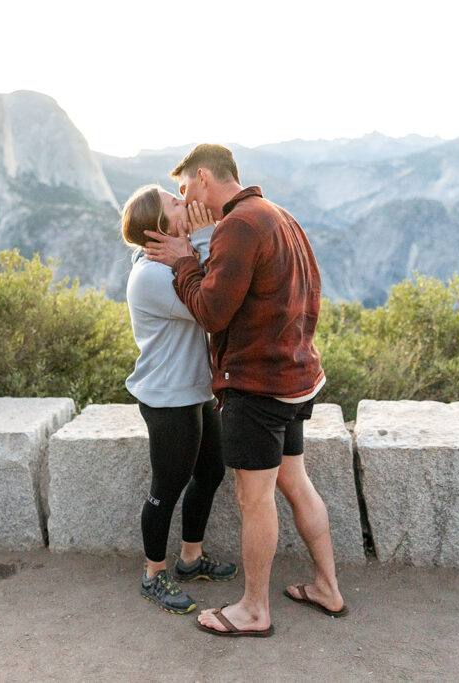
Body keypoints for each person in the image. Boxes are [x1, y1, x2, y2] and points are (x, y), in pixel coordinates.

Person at [143, 144, 348, 637]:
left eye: (185, 187)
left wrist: (184, 259)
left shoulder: (237, 226)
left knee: (254, 500)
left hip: (258, 387)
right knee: (297, 484)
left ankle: (254, 610)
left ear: (204, 179)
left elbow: (212, 312)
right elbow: (311, 290)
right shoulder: (279, 215)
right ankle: (328, 587)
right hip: (298, 379)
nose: (184, 196)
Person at [119, 184, 239, 615]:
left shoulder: (168, 262)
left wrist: (192, 244)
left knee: (209, 473)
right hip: (168, 399)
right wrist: (205, 236)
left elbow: (203, 277)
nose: (184, 204)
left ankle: (190, 559)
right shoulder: (151, 273)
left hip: (195, 392)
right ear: (159, 227)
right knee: (165, 489)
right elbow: (207, 302)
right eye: (175, 203)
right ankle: (153, 574)